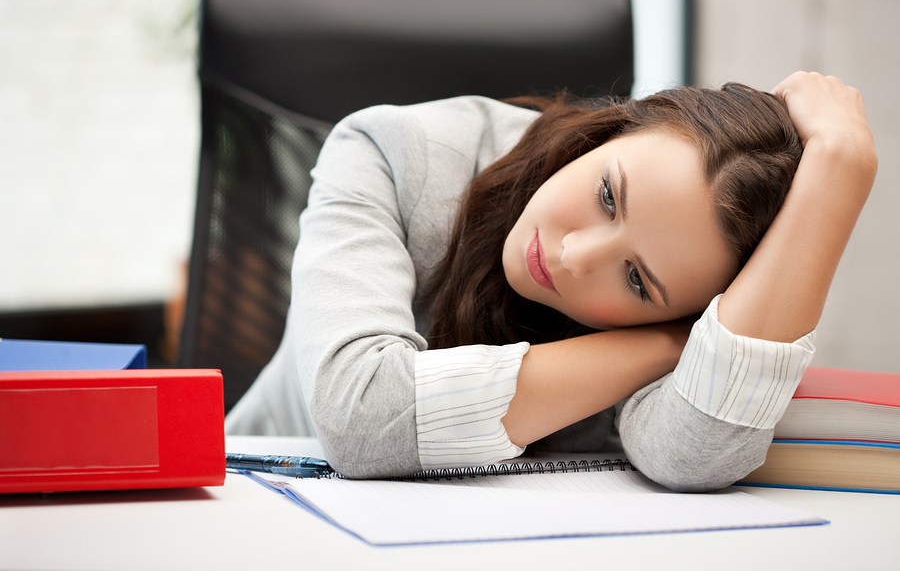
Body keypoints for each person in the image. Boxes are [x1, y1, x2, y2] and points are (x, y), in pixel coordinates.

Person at [225, 71, 877, 492]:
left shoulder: (687, 290)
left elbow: (691, 456)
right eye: (607, 195)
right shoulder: (393, 152)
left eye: (636, 279)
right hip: (254, 496)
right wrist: (674, 342)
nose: (572, 255)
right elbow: (360, 416)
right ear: (618, 125)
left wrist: (837, 180)